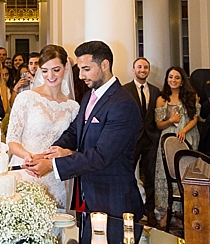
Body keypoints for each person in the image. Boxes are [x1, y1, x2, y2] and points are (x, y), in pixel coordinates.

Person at [25, 41, 143, 219]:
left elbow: (102, 155)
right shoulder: (89, 96)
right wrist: (51, 152)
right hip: (88, 196)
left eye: (86, 69)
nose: (80, 76)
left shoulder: (123, 103)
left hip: (113, 200)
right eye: (79, 69)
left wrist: (52, 165)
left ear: (105, 65)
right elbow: (74, 132)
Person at [7, 45, 79, 210]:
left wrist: (66, 154)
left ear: (65, 68)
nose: (50, 76)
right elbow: (12, 140)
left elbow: (75, 145)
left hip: (55, 176)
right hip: (27, 170)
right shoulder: (26, 98)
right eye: (45, 70)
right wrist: (28, 156)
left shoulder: (73, 107)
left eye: (56, 69)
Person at [154, 65, 200, 226]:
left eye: (177, 77)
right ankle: (166, 212)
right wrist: (171, 121)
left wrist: (184, 131)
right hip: (167, 140)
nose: (173, 80)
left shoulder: (191, 96)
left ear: (182, 81)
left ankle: (183, 212)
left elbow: (195, 118)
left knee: (186, 175)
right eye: (170, 77)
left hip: (188, 138)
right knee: (167, 175)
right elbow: (159, 124)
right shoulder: (162, 99)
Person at [123, 58, 160, 226]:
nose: (142, 69)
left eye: (145, 67)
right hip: (132, 138)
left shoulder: (155, 90)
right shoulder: (125, 90)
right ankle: (129, 207)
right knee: (127, 173)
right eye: (139, 67)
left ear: (149, 71)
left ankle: (150, 210)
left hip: (151, 138)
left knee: (150, 175)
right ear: (133, 70)